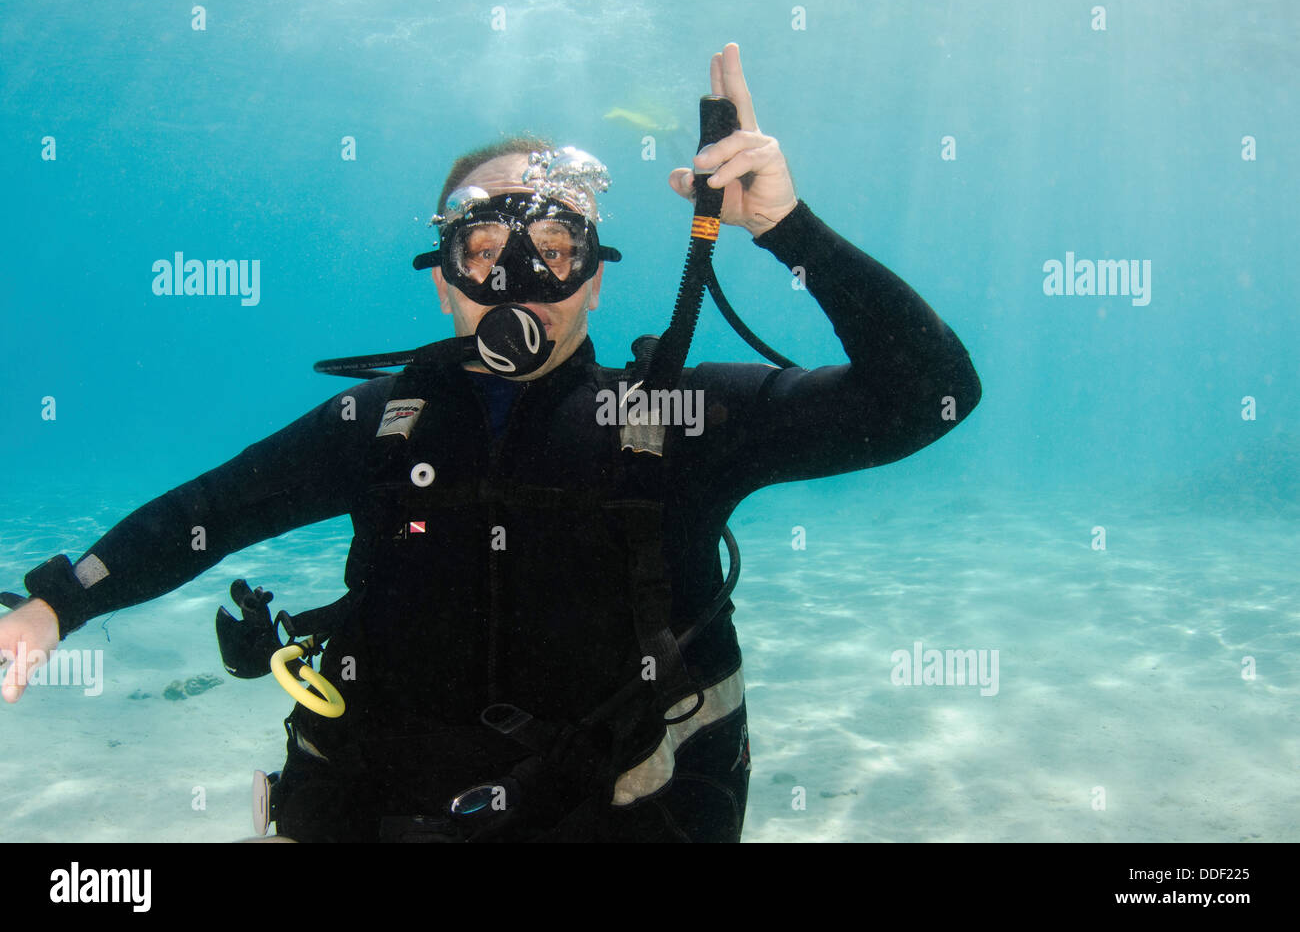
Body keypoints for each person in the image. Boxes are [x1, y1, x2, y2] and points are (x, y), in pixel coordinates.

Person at [0, 44, 981, 841]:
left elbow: (929, 394)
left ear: (595, 279)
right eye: (484, 250)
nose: (519, 280)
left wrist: (791, 228)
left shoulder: (678, 421)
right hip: (384, 811)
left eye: (554, 251)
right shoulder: (379, 424)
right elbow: (204, 515)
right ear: (445, 281)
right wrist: (50, 605)